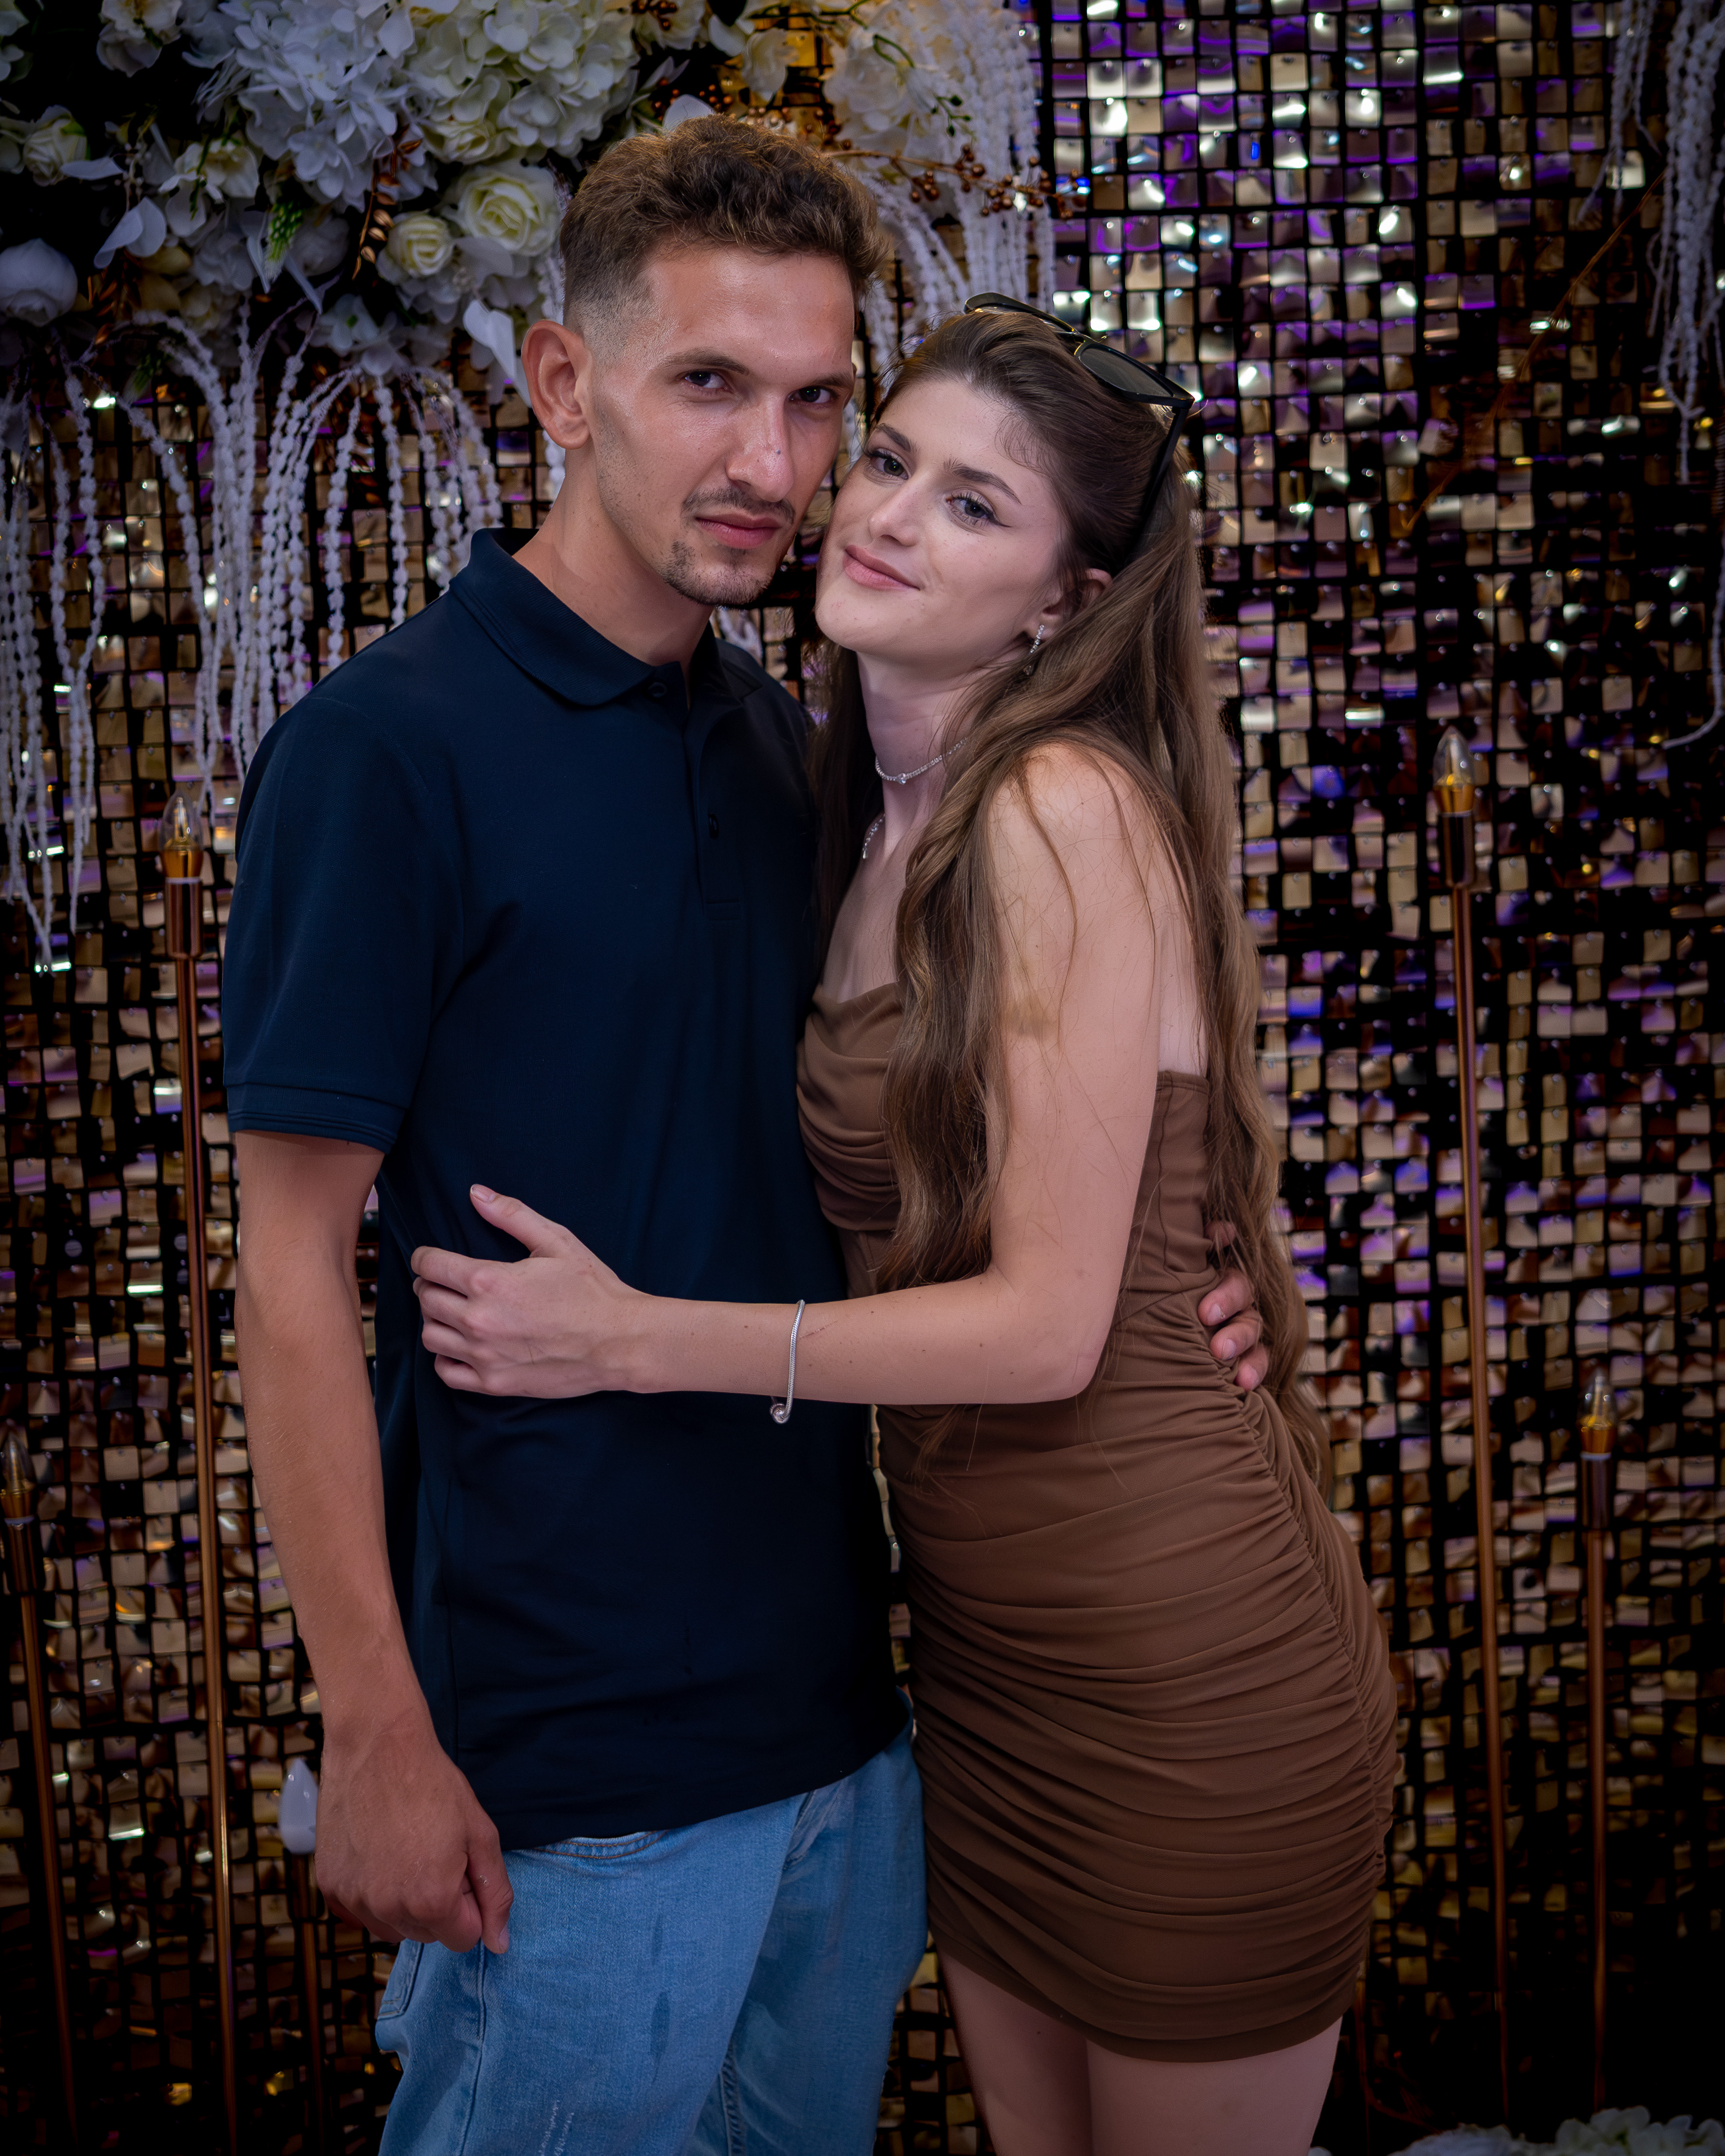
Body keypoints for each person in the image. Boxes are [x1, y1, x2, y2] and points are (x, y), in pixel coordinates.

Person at [225, 121, 1268, 2156]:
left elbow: (968, 1122)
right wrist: (372, 1725)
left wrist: (1188, 1261)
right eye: (708, 383)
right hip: (571, 1764)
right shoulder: (382, 753)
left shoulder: (789, 744)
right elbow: (283, 1272)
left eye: (813, 404)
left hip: (850, 1732)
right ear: (562, 381)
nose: (773, 465)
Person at [412, 299, 1398, 2156]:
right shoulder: (848, 810)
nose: (881, 515)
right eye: (889, 460)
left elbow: (1045, 1326)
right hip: (987, 1670)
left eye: (972, 504)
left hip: (1178, 1668)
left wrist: (632, 1336)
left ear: (1064, 598)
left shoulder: (1055, 808)